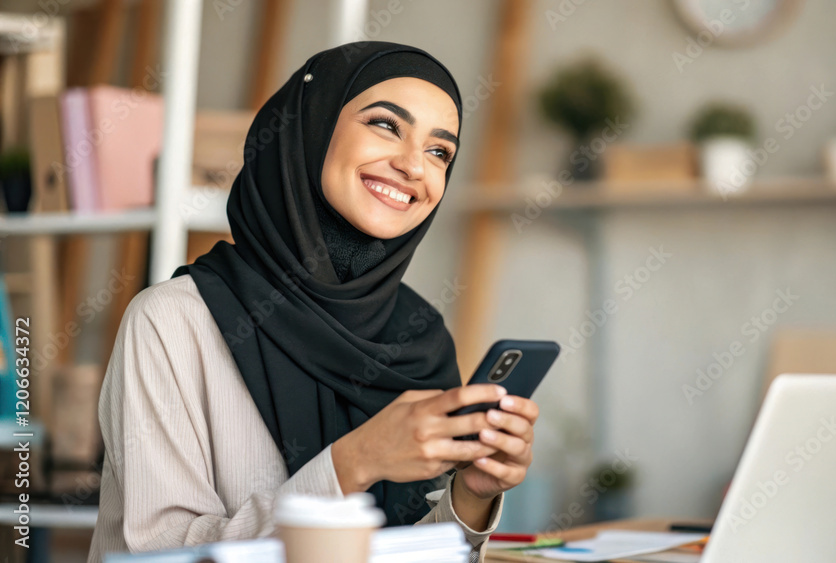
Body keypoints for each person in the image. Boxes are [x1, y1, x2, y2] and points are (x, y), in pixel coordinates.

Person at [87, 41, 538, 563]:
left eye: (439, 152)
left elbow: (412, 552)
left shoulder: (419, 338)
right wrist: (354, 462)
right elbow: (151, 555)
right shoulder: (173, 321)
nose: (415, 165)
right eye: (387, 125)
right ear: (311, 127)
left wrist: (472, 496)